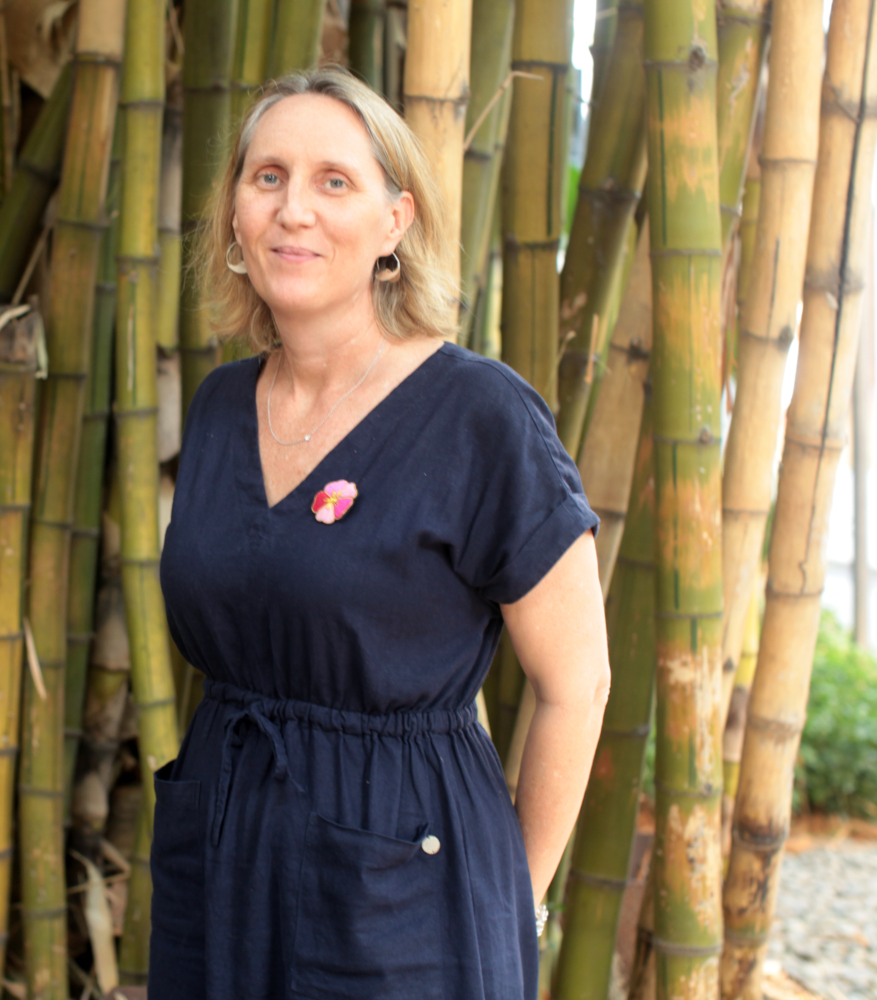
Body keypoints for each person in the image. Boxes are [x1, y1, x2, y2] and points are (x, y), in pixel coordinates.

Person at [149, 67, 611, 999]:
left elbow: (577, 681)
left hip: (409, 878)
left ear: (395, 222)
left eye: (334, 181)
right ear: (234, 214)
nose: (293, 211)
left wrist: (507, 899)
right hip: (225, 857)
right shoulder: (218, 409)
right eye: (267, 177)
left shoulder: (479, 416)